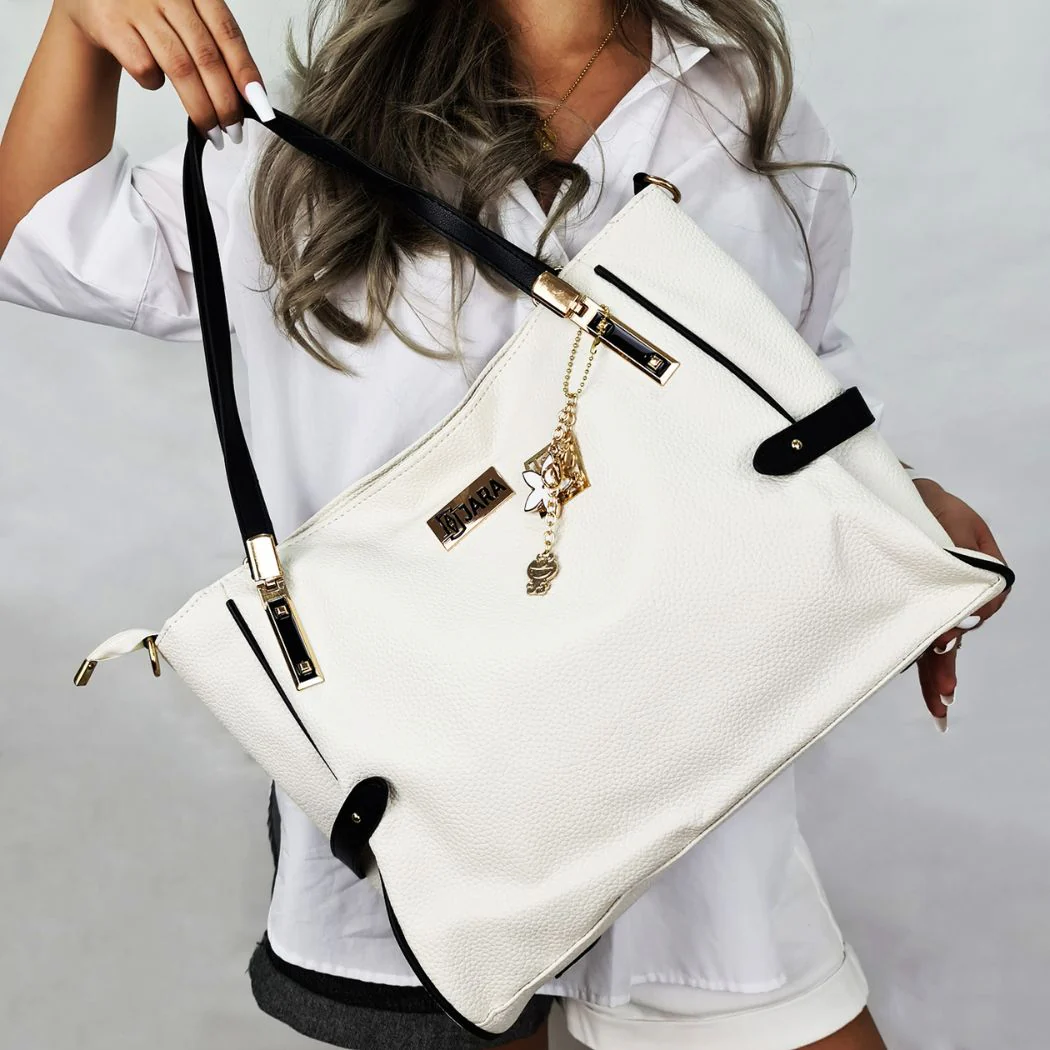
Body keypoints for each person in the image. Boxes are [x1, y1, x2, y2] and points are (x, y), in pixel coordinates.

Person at [0, 2, 1010, 1048]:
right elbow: (34, 242)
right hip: (431, 822)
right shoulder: (307, 142)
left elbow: (788, 382)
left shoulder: (747, 109)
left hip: (703, 794)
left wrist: (903, 516)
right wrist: (77, 19)